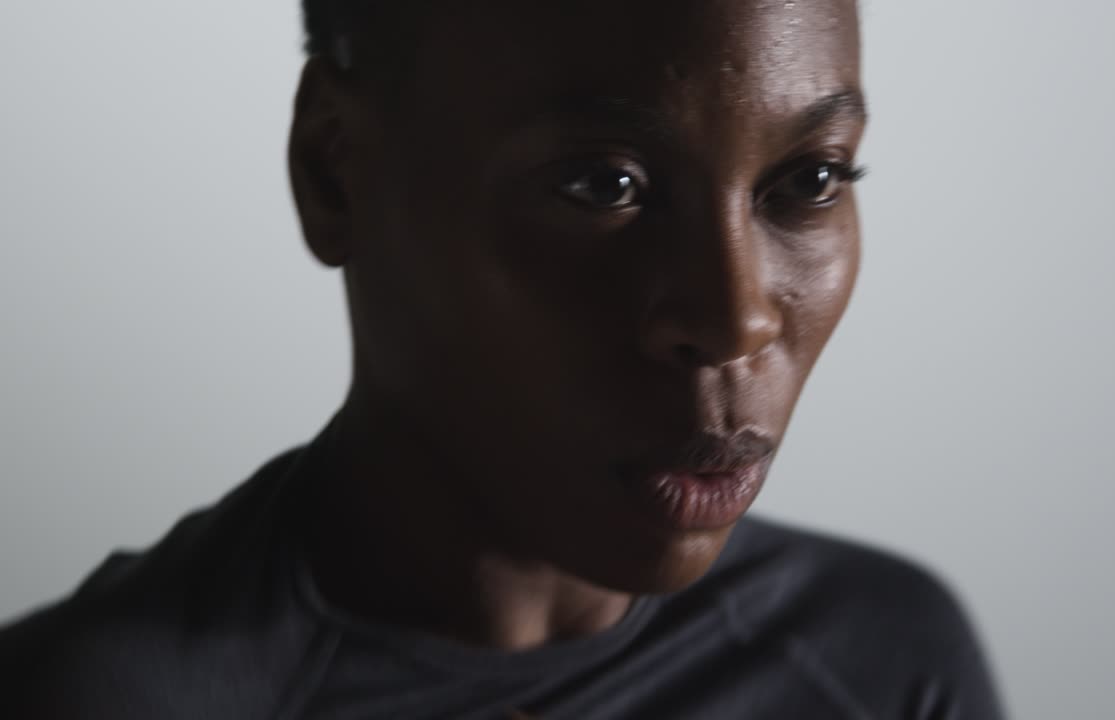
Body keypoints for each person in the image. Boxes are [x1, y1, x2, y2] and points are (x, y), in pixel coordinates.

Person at [0, 2, 1005, 718]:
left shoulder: (880, 663)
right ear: (335, 169)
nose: (734, 317)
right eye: (603, 184)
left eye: (809, 178)